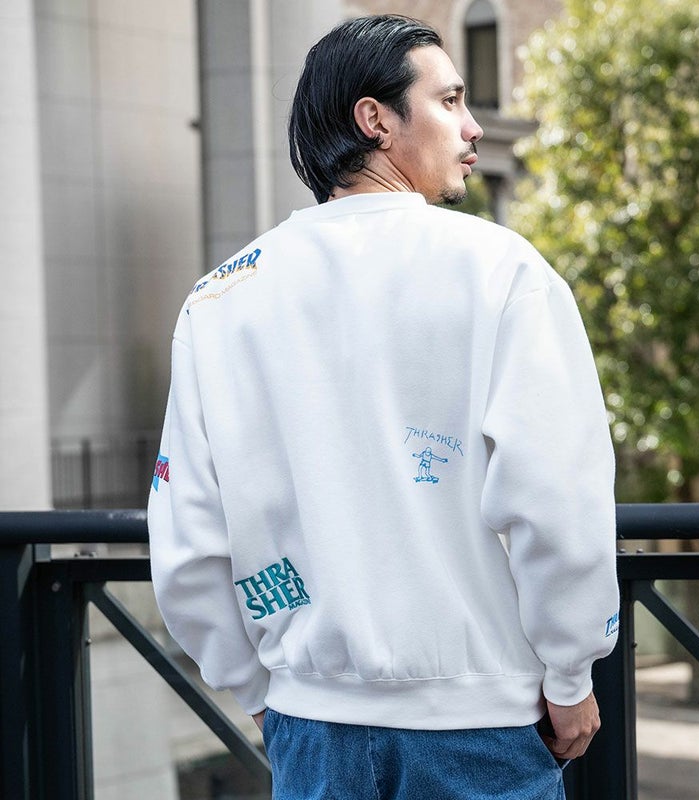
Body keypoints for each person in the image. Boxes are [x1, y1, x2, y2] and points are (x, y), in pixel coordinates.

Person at [148, 14, 619, 800]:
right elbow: (556, 496)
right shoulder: (500, 269)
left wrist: (260, 693)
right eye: (449, 101)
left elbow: (188, 537)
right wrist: (571, 671)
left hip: (310, 725)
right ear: (375, 119)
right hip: (479, 726)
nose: (472, 127)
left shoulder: (221, 298)